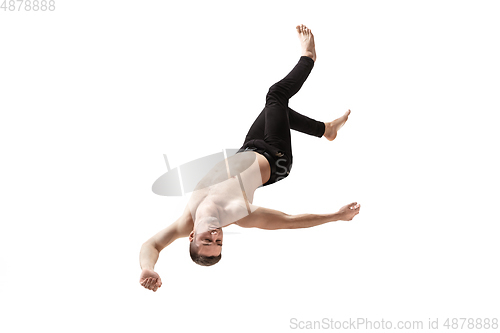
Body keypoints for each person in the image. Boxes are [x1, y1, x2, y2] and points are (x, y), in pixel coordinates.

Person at [139, 24, 361, 292]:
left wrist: (148, 268)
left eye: (207, 241)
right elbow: (290, 222)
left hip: (249, 148)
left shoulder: (186, 219)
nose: (215, 236)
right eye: (219, 243)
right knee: (276, 96)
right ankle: (309, 56)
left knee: (276, 112)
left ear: (191, 236)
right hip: (276, 159)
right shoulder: (239, 214)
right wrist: (335, 216)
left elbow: (151, 245)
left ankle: (326, 130)